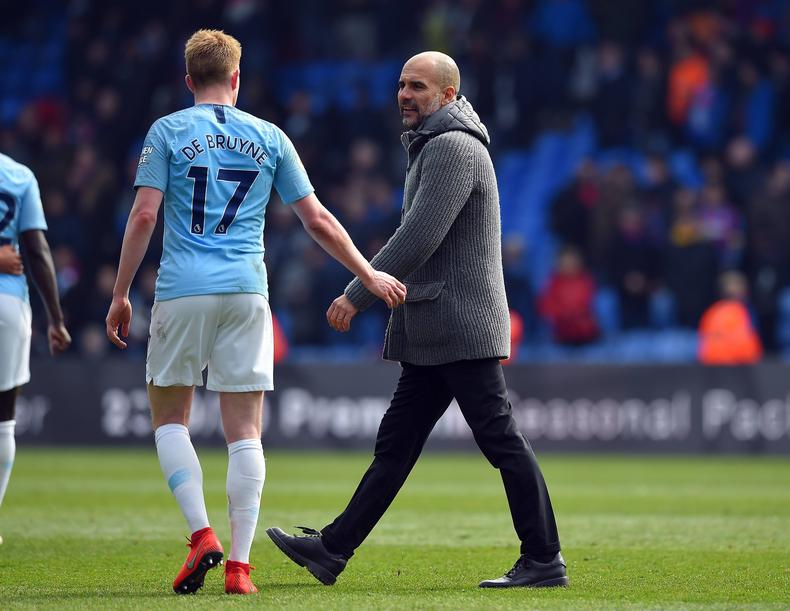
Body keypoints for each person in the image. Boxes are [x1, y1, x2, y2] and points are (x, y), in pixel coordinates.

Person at [104, 30, 405, 596]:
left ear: (189, 80)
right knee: (245, 431)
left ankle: (201, 536)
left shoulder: (167, 131)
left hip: (181, 289)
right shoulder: (270, 137)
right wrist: (367, 274)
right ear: (237, 78)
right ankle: (240, 568)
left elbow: (144, 216)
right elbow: (316, 219)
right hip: (247, 291)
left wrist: (121, 295)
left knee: (170, 418)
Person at [267, 51, 567, 589]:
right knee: (397, 447)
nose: (405, 94)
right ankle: (333, 548)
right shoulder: (437, 144)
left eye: (419, 87)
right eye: (402, 85)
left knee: (499, 439)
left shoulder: (452, 147)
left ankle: (544, 558)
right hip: (438, 325)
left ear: (448, 96)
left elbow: (420, 236)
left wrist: (358, 292)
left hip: (459, 325)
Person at [0, 153, 71, 545]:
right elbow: (37, 250)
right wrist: (56, 319)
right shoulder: (18, 174)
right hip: (10, 306)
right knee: (4, 416)